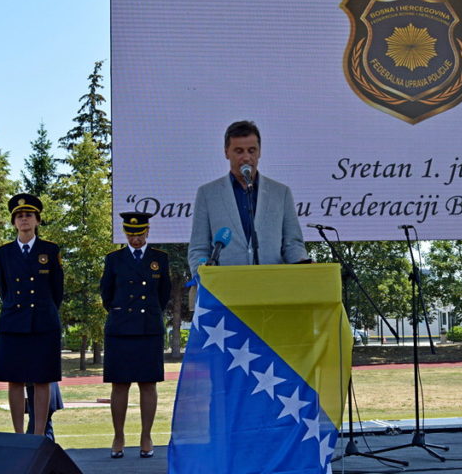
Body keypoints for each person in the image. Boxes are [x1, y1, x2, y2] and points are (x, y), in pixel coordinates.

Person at [188, 120, 309, 273]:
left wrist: (303, 263)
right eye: (239, 151)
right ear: (226, 152)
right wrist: (202, 275)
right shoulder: (207, 194)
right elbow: (199, 248)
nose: (246, 158)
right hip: (224, 284)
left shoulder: (281, 193)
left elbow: (292, 244)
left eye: (252, 151)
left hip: (271, 283)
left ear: (260, 152)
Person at [100, 212, 171, 459]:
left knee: (148, 384)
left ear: (147, 231)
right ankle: (118, 436)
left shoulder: (159, 259)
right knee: (120, 384)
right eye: (131, 234)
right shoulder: (114, 259)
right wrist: (123, 313)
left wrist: (148, 312)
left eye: (140, 234)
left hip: (148, 328)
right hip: (120, 328)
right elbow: (106, 294)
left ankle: (146, 436)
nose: (136, 239)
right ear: (125, 233)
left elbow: (163, 294)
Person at [0, 193, 63, 437]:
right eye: (19, 216)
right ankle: (18, 436)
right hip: (14, 323)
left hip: (43, 323)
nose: (24, 219)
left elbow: (57, 291)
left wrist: (42, 311)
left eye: (29, 215)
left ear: (37, 220)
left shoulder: (50, 250)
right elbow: (4, 289)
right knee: (15, 380)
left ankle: (38, 435)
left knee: (42, 379)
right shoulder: (4, 252)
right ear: (14, 222)